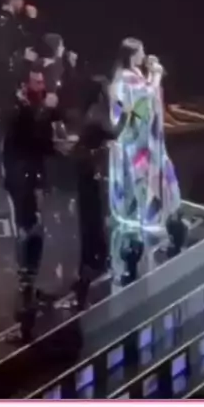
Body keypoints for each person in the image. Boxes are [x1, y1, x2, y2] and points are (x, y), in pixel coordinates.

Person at [1, 64, 63, 340]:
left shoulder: (35, 108)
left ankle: (31, 283)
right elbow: (33, 137)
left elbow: (44, 137)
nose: (41, 86)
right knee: (28, 231)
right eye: (36, 82)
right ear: (25, 84)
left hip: (32, 175)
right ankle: (26, 288)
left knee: (35, 229)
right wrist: (46, 112)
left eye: (42, 81)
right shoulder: (20, 110)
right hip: (21, 179)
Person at [109, 37, 182, 234]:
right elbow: (146, 94)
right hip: (136, 137)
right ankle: (146, 217)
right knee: (141, 176)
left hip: (142, 135)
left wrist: (151, 74)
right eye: (140, 51)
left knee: (150, 173)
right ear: (132, 55)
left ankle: (159, 214)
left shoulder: (132, 73)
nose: (143, 54)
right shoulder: (126, 76)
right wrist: (156, 74)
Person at [71, 75, 129, 308]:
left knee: (93, 212)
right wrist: (126, 114)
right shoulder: (96, 113)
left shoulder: (93, 110)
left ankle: (96, 257)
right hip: (87, 169)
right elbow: (113, 132)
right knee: (92, 214)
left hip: (87, 168)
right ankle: (92, 262)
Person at [0, 0, 39, 118]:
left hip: (9, 84)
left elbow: (25, 41)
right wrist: (13, 83)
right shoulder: (4, 22)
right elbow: (1, 55)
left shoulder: (11, 22)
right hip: (4, 86)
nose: (22, 3)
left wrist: (31, 20)